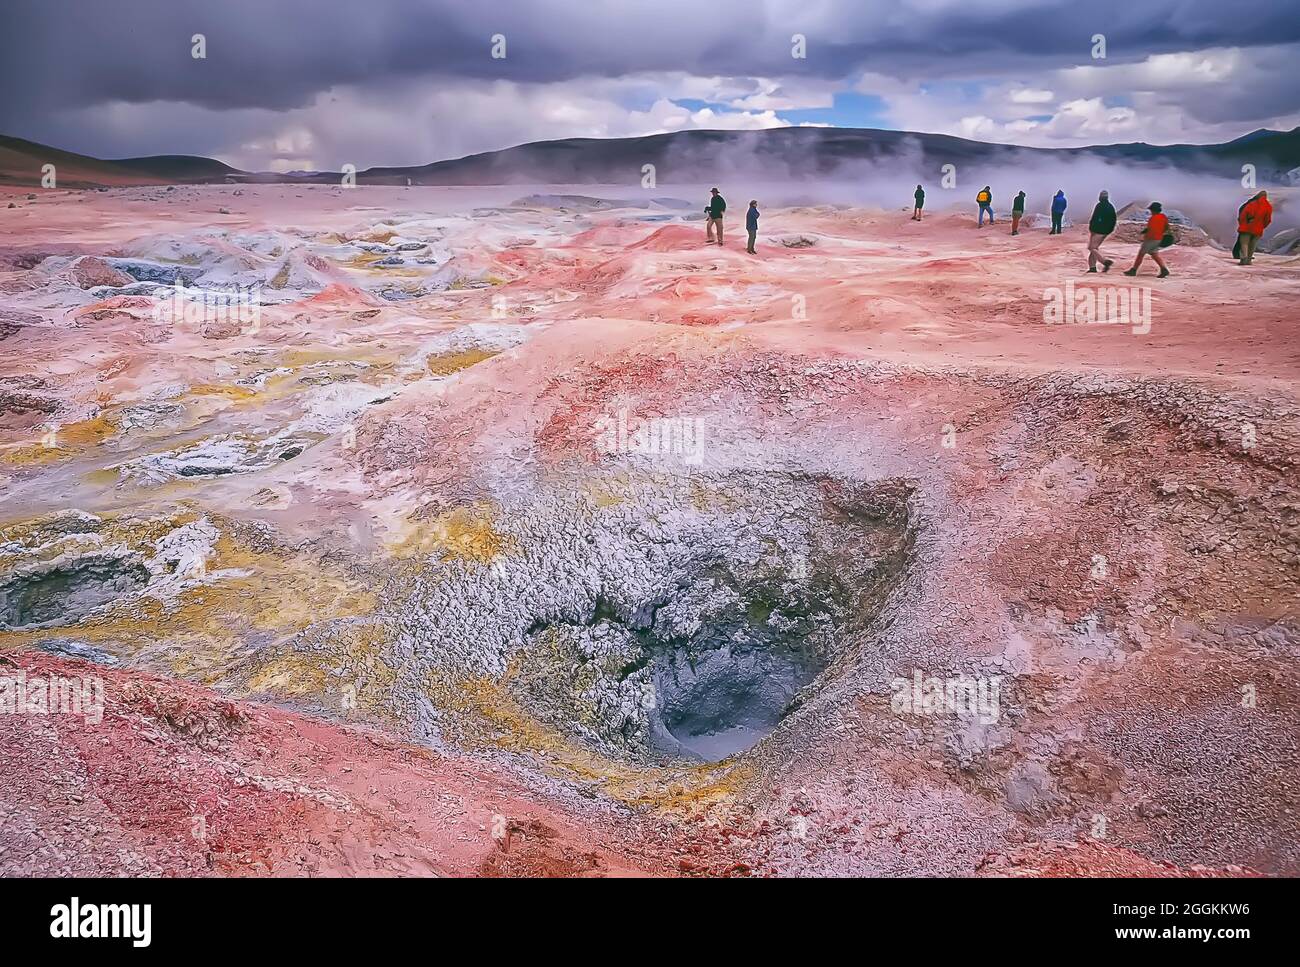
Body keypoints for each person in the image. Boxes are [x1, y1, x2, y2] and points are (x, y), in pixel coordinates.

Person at [1123, 202, 1171, 278]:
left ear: (1153, 210)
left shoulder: (1153, 218)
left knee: (1141, 254)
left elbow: (1151, 229)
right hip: (1158, 239)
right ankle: (1164, 269)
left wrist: (1145, 234)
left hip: (1150, 239)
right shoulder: (1163, 217)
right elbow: (1166, 227)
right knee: (1154, 254)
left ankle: (1133, 270)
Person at [1236, 190, 1272, 265]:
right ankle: (1249, 260)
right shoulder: (1268, 206)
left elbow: (1243, 215)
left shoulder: (1252, 204)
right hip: (1258, 229)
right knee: (1253, 244)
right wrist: (1262, 226)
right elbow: (1268, 220)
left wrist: (1242, 224)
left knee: (1244, 243)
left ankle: (1244, 258)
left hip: (1246, 227)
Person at [1086, 190, 1116, 272]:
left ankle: (1105, 262)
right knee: (1095, 249)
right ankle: (1092, 268)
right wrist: (1109, 230)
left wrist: (1092, 228)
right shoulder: (1110, 206)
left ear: (1100, 197)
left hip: (1098, 230)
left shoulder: (1099, 206)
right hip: (1106, 231)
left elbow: (1095, 218)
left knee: (1092, 247)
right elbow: (1114, 219)